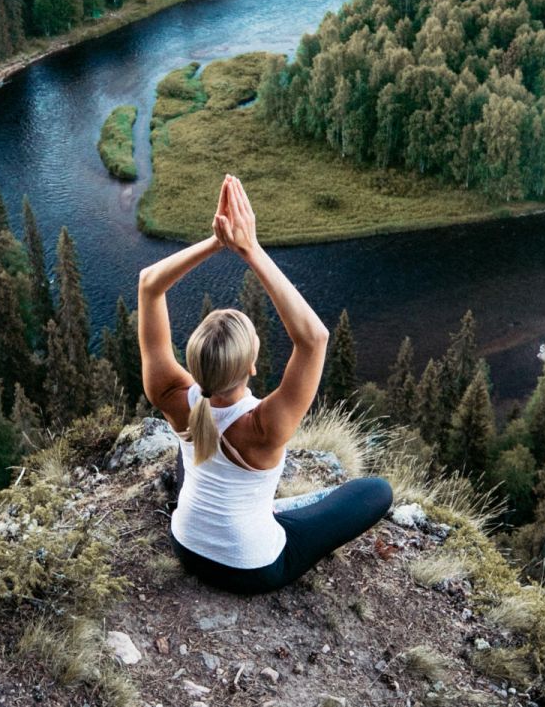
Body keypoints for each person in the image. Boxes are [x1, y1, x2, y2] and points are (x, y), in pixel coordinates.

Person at [137, 173, 394, 594]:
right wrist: (248, 248)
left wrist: (216, 243)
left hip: (184, 543)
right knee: (375, 492)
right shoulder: (264, 427)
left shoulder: (170, 395)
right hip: (251, 568)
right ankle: (275, 514)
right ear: (252, 366)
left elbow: (150, 283)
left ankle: (257, 513)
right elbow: (314, 338)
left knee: (195, 448)